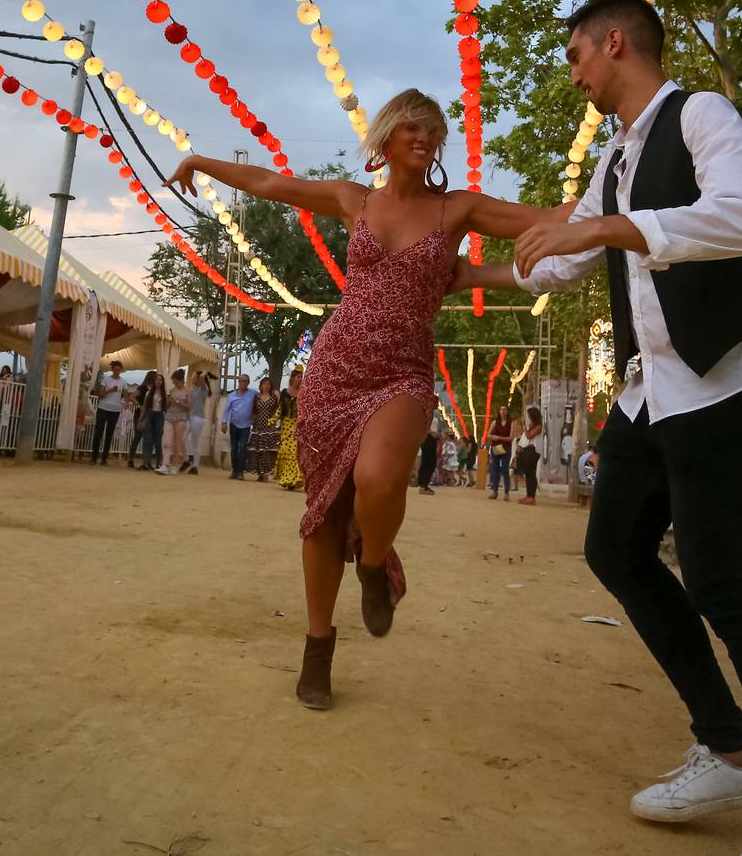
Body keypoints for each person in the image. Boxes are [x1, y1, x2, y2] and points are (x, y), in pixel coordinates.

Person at [507, 0, 742, 855]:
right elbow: (569, 253)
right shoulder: (616, 159)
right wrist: (444, 272)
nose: (575, 71)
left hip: (735, 376)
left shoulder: (703, 113)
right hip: (657, 387)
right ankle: (731, 747)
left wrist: (613, 226)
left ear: (613, 43)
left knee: (723, 584)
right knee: (614, 548)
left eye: (578, 55)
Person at [167, 87, 560, 712]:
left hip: (403, 371)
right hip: (335, 365)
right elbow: (270, 182)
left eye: (433, 130)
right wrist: (200, 162)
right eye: (411, 127)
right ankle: (317, 650)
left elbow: (550, 218)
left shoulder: (457, 209)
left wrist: (625, 207)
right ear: (385, 137)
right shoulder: (353, 199)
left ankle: (374, 566)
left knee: (380, 480)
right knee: (324, 515)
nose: (424, 138)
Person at [273, 367, 304, 492]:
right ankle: (286, 478)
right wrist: (273, 420)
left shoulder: (303, 393)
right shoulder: (285, 392)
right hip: (286, 425)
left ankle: (293, 479)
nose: (301, 379)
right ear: (292, 378)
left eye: (302, 377)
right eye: (298, 377)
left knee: (294, 451)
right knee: (285, 451)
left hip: (297, 425)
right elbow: (280, 409)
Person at [221, 373, 257, 480]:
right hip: (234, 425)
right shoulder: (232, 395)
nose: (243, 383)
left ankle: (240, 471)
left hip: (246, 425)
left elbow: (263, 397)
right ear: (238, 382)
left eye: (245, 381)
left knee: (242, 448)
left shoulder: (253, 393)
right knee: (234, 448)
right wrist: (223, 423)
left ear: (248, 383)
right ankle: (234, 471)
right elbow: (226, 410)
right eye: (241, 381)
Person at [91, 360, 126, 466]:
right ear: (112, 370)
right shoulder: (106, 380)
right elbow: (100, 395)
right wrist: (109, 390)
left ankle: (104, 458)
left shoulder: (123, 382)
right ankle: (94, 457)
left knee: (109, 434)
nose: (117, 372)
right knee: (98, 433)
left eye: (118, 370)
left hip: (115, 410)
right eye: (115, 370)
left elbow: (126, 394)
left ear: (121, 371)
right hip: (103, 408)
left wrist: (126, 401)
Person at [156, 368, 190, 476]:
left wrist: (178, 402)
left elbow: (189, 407)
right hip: (170, 416)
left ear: (181, 380)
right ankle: (165, 464)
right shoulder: (172, 390)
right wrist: (168, 402)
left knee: (177, 442)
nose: (175, 384)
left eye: (176, 381)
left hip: (181, 418)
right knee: (166, 441)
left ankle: (175, 465)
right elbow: (168, 405)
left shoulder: (188, 391)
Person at [247, 376, 280, 481]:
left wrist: (274, 424)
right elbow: (254, 411)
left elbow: (276, 411)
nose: (266, 386)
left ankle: (265, 473)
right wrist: (253, 421)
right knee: (257, 451)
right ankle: (259, 473)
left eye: (268, 384)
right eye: (264, 384)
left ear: (271, 386)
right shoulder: (256, 397)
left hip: (269, 428)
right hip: (258, 427)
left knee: (267, 452)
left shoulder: (273, 398)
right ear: (261, 385)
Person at [126, 370, 157, 469]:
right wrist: (139, 406)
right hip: (141, 416)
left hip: (151, 415)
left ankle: (146, 461)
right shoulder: (143, 388)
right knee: (138, 437)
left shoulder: (155, 389)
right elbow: (132, 397)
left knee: (148, 439)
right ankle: (131, 458)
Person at [184, 369, 211, 475]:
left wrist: (204, 372)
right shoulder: (191, 390)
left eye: (194, 376)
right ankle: (186, 460)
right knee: (183, 438)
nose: (193, 378)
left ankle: (195, 466)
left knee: (195, 442)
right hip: (190, 416)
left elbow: (202, 378)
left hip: (199, 417)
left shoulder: (203, 389)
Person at [485, 405, 514, 501]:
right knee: (495, 469)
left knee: (505, 470)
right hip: (496, 447)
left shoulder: (511, 423)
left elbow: (511, 438)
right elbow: (488, 434)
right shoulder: (495, 422)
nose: (502, 411)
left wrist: (499, 438)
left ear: (507, 411)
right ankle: (495, 491)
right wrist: (492, 437)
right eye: (501, 409)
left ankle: (506, 492)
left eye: (504, 409)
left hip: (506, 448)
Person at [515, 405, 543, 505]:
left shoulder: (538, 426)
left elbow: (529, 435)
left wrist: (523, 426)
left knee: (531, 474)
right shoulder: (531, 425)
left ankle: (532, 497)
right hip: (526, 451)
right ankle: (528, 495)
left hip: (533, 452)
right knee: (528, 474)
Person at [139, 371, 166, 472]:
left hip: (159, 415)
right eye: (157, 379)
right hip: (150, 414)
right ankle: (146, 462)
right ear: (154, 381)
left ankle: (159, 462)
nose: (158, 381)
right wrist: (141, 419)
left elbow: (166, 408)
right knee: (147, 439)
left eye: (160, 380)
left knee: (158, 441)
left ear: (162, 382)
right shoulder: (149, 392)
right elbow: (145, 406)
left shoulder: (164, 394)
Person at [416, 413, 440, 496]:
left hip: (432, 438)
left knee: (430, 462)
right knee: (428, 461)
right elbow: (422, 426)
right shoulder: (426, 414)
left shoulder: (432, 414)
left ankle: (424, 484)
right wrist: (430, 432)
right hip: (428, 438)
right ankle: (423, 484)